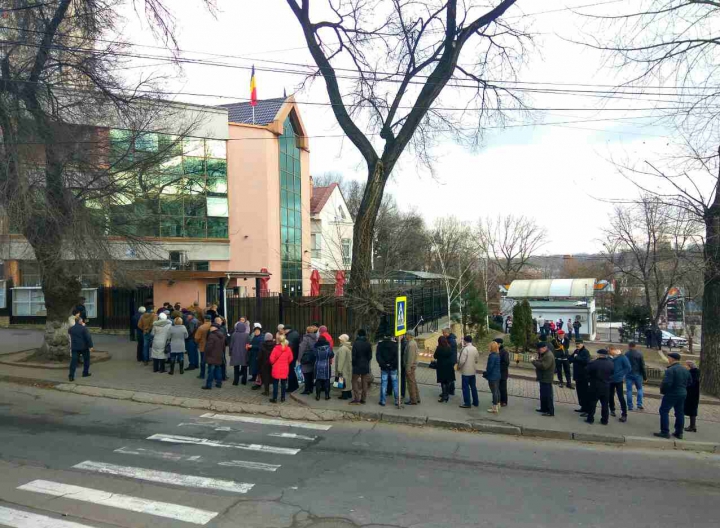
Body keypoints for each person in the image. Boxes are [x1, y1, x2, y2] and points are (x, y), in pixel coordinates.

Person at [654, 352, 691, 439]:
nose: (668, 360)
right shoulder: (685, 370)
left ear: (672, 359)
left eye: (669, 358)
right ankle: (679, 432)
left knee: (664, 411)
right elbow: (690, 382)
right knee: (679, 412)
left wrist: (663, 391)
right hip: (682, 393)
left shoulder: (671, 370)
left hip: (672, 393)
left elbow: (666, 383)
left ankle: (665, 432)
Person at [585, 349, 614, 425]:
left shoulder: (593, 363)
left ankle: (590, 419)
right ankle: (604, 420)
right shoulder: (611, 363)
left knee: (592, 403)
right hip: (606, 387)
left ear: (599, 354)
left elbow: (586, 371)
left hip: (595, 386)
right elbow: (612, 373)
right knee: (605, 404)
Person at [609, 344, 631, 422]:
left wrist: (620, 374)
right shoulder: (609, 357)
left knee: (620, 397)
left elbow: (628, 368)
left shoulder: (623, 358)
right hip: (610, 380)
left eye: (610, 350)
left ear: (613, 350)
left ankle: (624, 414)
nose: (609, 352)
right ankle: (612, 409)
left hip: (618, 380)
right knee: (610, 395)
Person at [532, 341, 555, 417]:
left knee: (548, 396)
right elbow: (542, 361)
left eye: (540, 349)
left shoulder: (548, 355)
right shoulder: (545, 354)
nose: (539, 350)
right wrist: (537, 360)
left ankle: (550, 411)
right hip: (543, 378)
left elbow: (544, 366)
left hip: (546, 378)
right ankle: (543, 408)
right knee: (543, 395)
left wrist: (533, 362)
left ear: (545, 348)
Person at [267, 334, 292, 403]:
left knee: (275, 383)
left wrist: (273, 363)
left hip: (276, 368)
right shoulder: (288, 349)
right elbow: (291, 359)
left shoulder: (275, 348)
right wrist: (286, 363)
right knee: (283, 384)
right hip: (285, 368)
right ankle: (283, 398)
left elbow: (271, 359)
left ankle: (274, 398)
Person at [457, 335, 480, 409]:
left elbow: (461, 361)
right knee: (473, 387)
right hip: (473, 371)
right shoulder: (475, 349)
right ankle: (476, 402)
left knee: (465, 387)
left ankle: (467, 403)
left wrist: (459, 366)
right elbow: (477, 360)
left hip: (466, 372)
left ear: (465, 341)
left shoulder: (465, 349)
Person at [350, 329, 372, 405]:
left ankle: (356, 399)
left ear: (358, 335)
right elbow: (370, 356)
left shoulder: (355, 343)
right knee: (364, 382)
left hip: (357, 365)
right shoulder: (368, 344)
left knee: (354, 381)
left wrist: (353, 364)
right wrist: (366, 361)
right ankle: (363, 399)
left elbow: (353, 356)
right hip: (365, 365)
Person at [569, 339, 591, 415]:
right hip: (577, 376)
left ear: (582, 344)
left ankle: (587, 409)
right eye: (576, 344)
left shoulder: (586, 352)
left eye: (579, 344)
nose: (577, 345)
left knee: (585, 393)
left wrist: (577, 358)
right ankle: (582, 407)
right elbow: (571, 358)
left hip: (584, 376)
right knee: (579, 393)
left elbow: (587, 361)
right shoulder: (576, 351)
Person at [68, 316, 94, 381]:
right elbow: (88, 337)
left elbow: (70, 333)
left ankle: (71, 376)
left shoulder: (71, 329)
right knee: (86, 359)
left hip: (75, 347)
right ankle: (85, 372)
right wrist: (91, 346)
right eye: (81, 320)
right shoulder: (84, 328)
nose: (82, 321)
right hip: (84, 347)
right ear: (80, 321)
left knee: (73, 361)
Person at [377, 334, 400, 407]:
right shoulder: (395, 345)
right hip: (393, 368)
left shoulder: (380, 345)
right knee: (395, 383)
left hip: (384, 368)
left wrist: (384, 364)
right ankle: (397, 400)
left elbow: (378, 357)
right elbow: (397, 357)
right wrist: (391, 365)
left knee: (384, 384)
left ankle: (383, 401)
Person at [625, 341, 647, 411]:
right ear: (635, 346)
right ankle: (639, 404)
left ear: (629, 346)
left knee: (629, 390)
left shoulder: (626, 354)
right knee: (639, 389)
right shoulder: (639, 354)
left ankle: (630, 406)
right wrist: (645, 377)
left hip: (629, 374)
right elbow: (642, 366)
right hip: (638, 374)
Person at [202, 323, 225, 390]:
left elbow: (209, 347)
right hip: (219, 355)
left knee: (210, 371)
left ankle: (208, 385)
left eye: (211, 327)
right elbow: (223, 346)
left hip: (211, 356)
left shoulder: (212, 335)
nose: (210, 328)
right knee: (218, 370)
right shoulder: (222, 335)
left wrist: (206, 354)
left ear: (215, 328)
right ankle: (219, 383)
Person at [313, 335, 335, 401]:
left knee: (318, 380)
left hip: (318, 364)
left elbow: (314, 355)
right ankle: (327, 396)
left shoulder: (315, 347)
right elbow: (331, 355)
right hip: (326, 365)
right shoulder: (328, 347)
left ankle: (318, 396)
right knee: (327, 380)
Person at [434, 336, 454, 404]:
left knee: (443, 382)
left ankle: (444, 396)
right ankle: (447, 395)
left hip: (441, 366)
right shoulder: (449, 347)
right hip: (449, 366)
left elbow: (435, 356)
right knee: (448, 381)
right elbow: (451, 354)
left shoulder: (439, 348)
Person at [229, 318, 250, 385]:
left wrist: (230, 352)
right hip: (244, 353)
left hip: (235, 353)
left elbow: (231, 344)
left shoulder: (234, 334)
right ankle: (244, 381)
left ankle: (236, 381)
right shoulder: (246, 335)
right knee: (244, 368)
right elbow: (248, 345)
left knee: (236, 368)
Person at [299, 325, 318, 394]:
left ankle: (306, 390)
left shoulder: (305, 338)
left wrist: (299, 359)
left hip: (305, 359)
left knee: (306, 374)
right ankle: (311, 389)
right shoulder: (315, 338)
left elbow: (301, 349)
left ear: (307, 331)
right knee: (311, 374)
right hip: (313, 358)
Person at [334, 334, 353, 400]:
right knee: (347, 381)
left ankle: (344, 395)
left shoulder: (342, 348)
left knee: (342, 381)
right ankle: (349, 394)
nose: (339, 340)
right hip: (347, 367)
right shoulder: (348, 347)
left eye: (340, 339)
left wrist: (339, 369)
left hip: (343, 368)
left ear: (343, 340)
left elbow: (341, 360)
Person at [404, 333, 420, 405]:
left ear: (410, 335)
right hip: (412, 366)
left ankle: (413, 400)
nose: (405, 335)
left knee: (411, 384)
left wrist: (408, 368)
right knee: (413, 382)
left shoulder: (411, 344)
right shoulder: (412, 343)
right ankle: (417, 398)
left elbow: (410, 358)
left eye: (406, 334)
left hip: (410, 367)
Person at [684, 360, 700, 433]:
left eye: (686, 365)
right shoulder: (696, 372)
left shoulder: (692, 373)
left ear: (689, 366)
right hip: (694, 394)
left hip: (692, 394)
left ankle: (692, 426)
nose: (685, 366)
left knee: (692, 410)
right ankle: (692, 425)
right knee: (693, 410)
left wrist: (685, 385)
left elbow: (691, 383)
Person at [284, 325, 301, 393]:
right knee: (292, 371)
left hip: (291, 356)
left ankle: (291, 387)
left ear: (287, 330)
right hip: (294, 355)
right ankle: (295, 385)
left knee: (290, 372)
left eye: (284, 330)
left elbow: (288, 345)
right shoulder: (295, 333)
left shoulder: (290, 336)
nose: (284, 331)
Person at [194, 316, 211, 380]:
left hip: (203, 346)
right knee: (211, 361)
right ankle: (211, 374)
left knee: (203, 361)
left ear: (205, 319)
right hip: (212, 347)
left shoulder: (201, 327)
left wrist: (198, 342)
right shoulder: (213, 326)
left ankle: (202, 374)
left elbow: (196, 338)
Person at [442, 328, 458, 396]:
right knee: (451, 376)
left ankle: (447, 391)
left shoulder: (450, 340)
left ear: (447, 333)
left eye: (443, 333)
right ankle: (451, 390)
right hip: (452, 360)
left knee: (448, 377)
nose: (443, 334)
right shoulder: (451, 339)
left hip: (449, 361)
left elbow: (448, 351)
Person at [496, 338, 510, 407]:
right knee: (497, 387)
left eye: (495, 344)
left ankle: (504, 401)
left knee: (503, 388)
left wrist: (499, 368)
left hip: (503, 373)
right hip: (497, 373)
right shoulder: (496, 351)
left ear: (499, 344)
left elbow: (506, 363)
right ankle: (498, 399)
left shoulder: (504, 352)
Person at [248, 323, 263, 387]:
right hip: (252, 354)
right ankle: (253, 377)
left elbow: (260, 346)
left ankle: (257, 380)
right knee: (252, 367)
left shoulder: (261, 337)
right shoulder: (255, 336)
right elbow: (251, 343)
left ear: (259, 331)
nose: (256, 332)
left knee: (256, 368)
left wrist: (252, 346)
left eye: (257, 331)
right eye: (255, 331)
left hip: (257, 354)